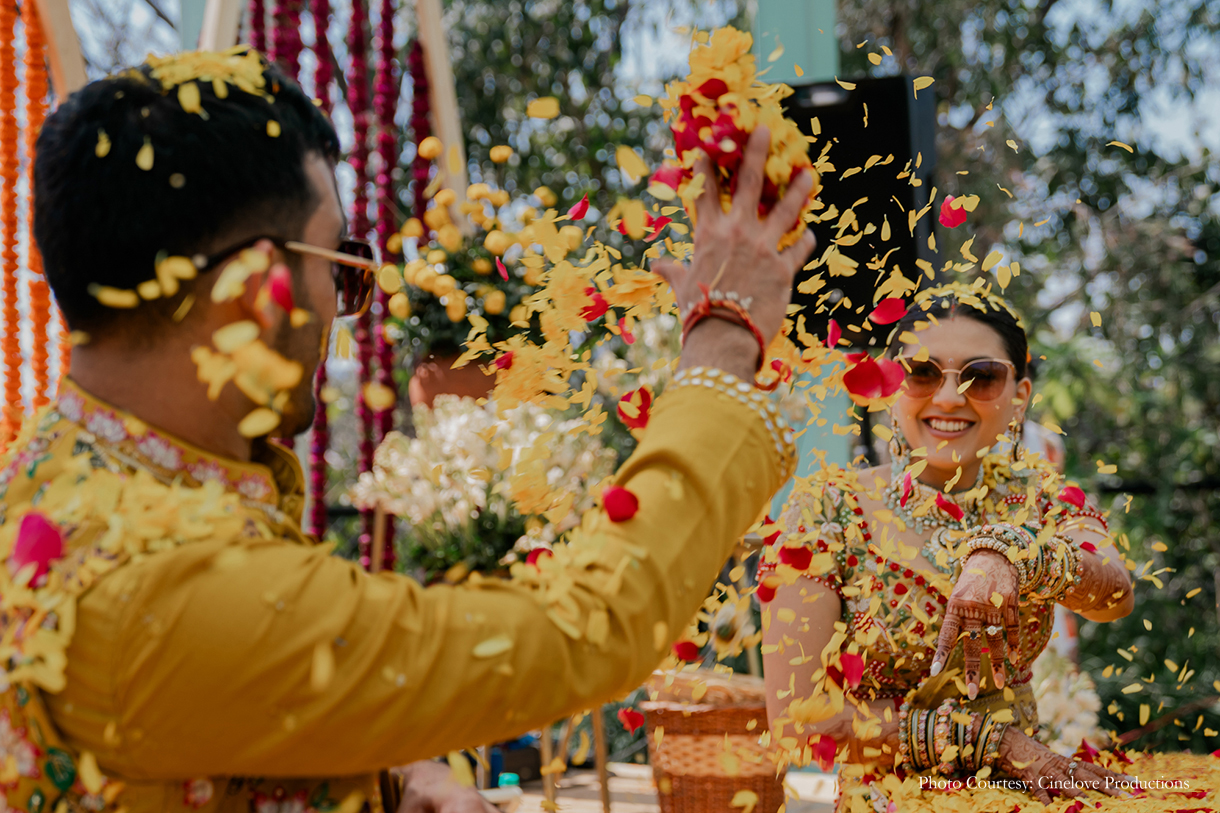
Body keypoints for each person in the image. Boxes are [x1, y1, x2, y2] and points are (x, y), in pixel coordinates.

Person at [0, 48, 814, 813]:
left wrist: (382, 768)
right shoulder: (149, 584)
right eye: (340, 269)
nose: (341, 311)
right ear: (258, 287)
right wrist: (721, 338)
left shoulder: (65, 485)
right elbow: (581, 631)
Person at [759, 284, 1147, 810]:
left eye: (980, 377)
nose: (946, 397)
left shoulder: (1040, 498)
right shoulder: (827, 511)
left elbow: (1116, 595)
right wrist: (989, 743)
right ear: (890, 385)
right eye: (921, 372)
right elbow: (799, 723)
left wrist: (1013, 556)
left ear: (1020, 396)